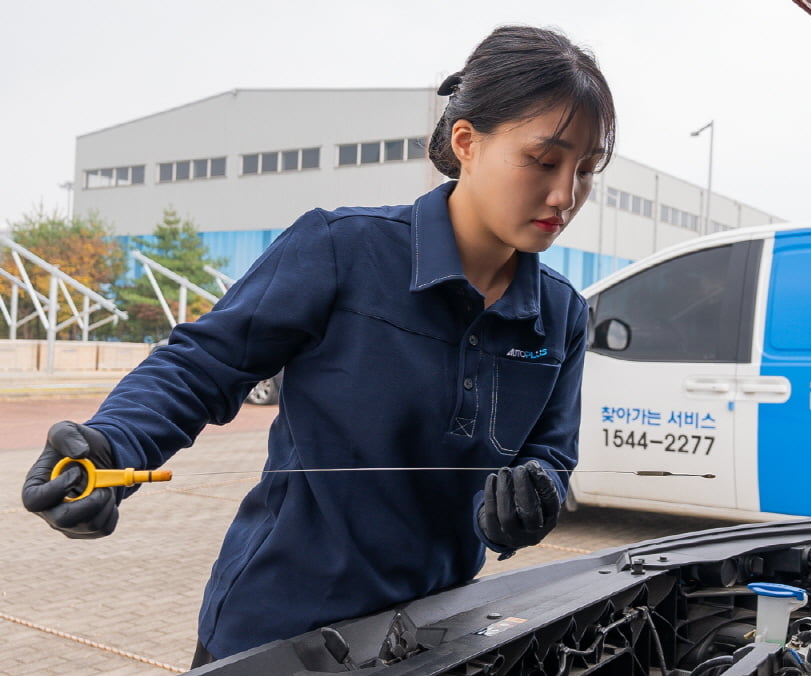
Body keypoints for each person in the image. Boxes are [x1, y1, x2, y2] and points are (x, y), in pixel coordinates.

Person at [20, 24, 615, 665]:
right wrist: (110, 445)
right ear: (467, 141)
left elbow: (551, 454)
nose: (565, 194)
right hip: (278, 633)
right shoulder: (340, 250)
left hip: (434, 636)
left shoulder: (560, 314)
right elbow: (201, 366)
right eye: (544, 160)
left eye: (586, 169)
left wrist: (537, 497)